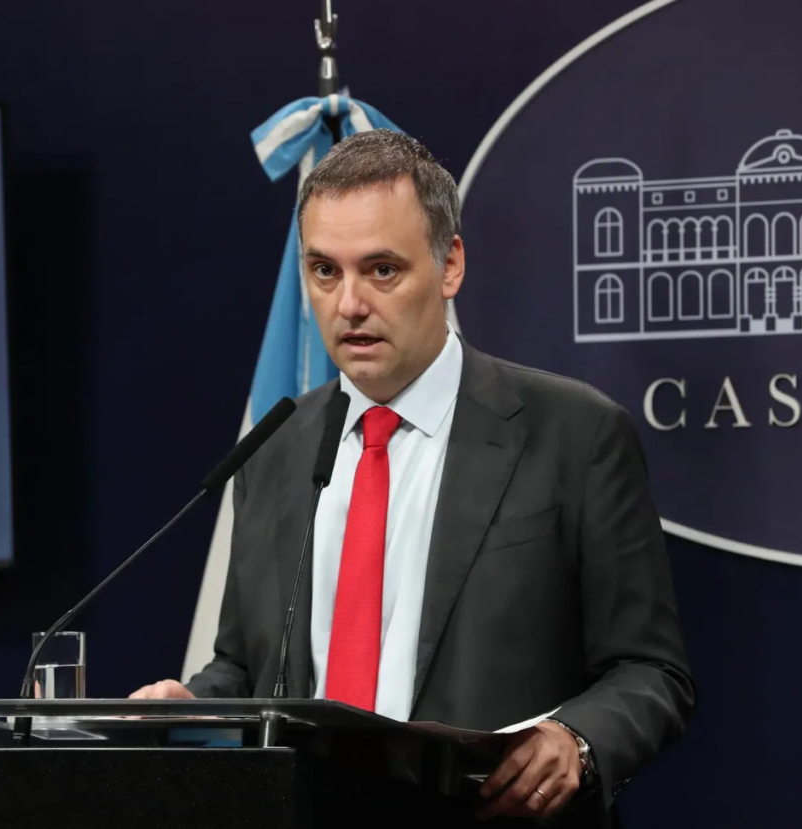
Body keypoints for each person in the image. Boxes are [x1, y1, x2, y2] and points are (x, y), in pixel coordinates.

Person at [131, 129, 695, 826]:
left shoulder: (575, 435)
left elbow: (651, 671)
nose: (349, 304)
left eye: (382, 270)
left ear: (449, 264)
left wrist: (575, 739)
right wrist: (196, 705)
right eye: (324, 271)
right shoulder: (275, 449)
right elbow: (249, 668)